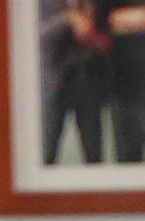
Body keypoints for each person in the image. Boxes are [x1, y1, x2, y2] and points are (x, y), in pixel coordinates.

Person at [41, 0, 113, 167]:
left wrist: (94, 36)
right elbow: (34, 34)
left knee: (94, 157)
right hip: (53, 82)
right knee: (46, 154)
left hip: (90, 80)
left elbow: (109, 35)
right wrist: (68, 20)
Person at [107, 1, 145, 162]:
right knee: (128, 164)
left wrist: (123, 19)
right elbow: (94, 25)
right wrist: (140, 17)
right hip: (122, 91)